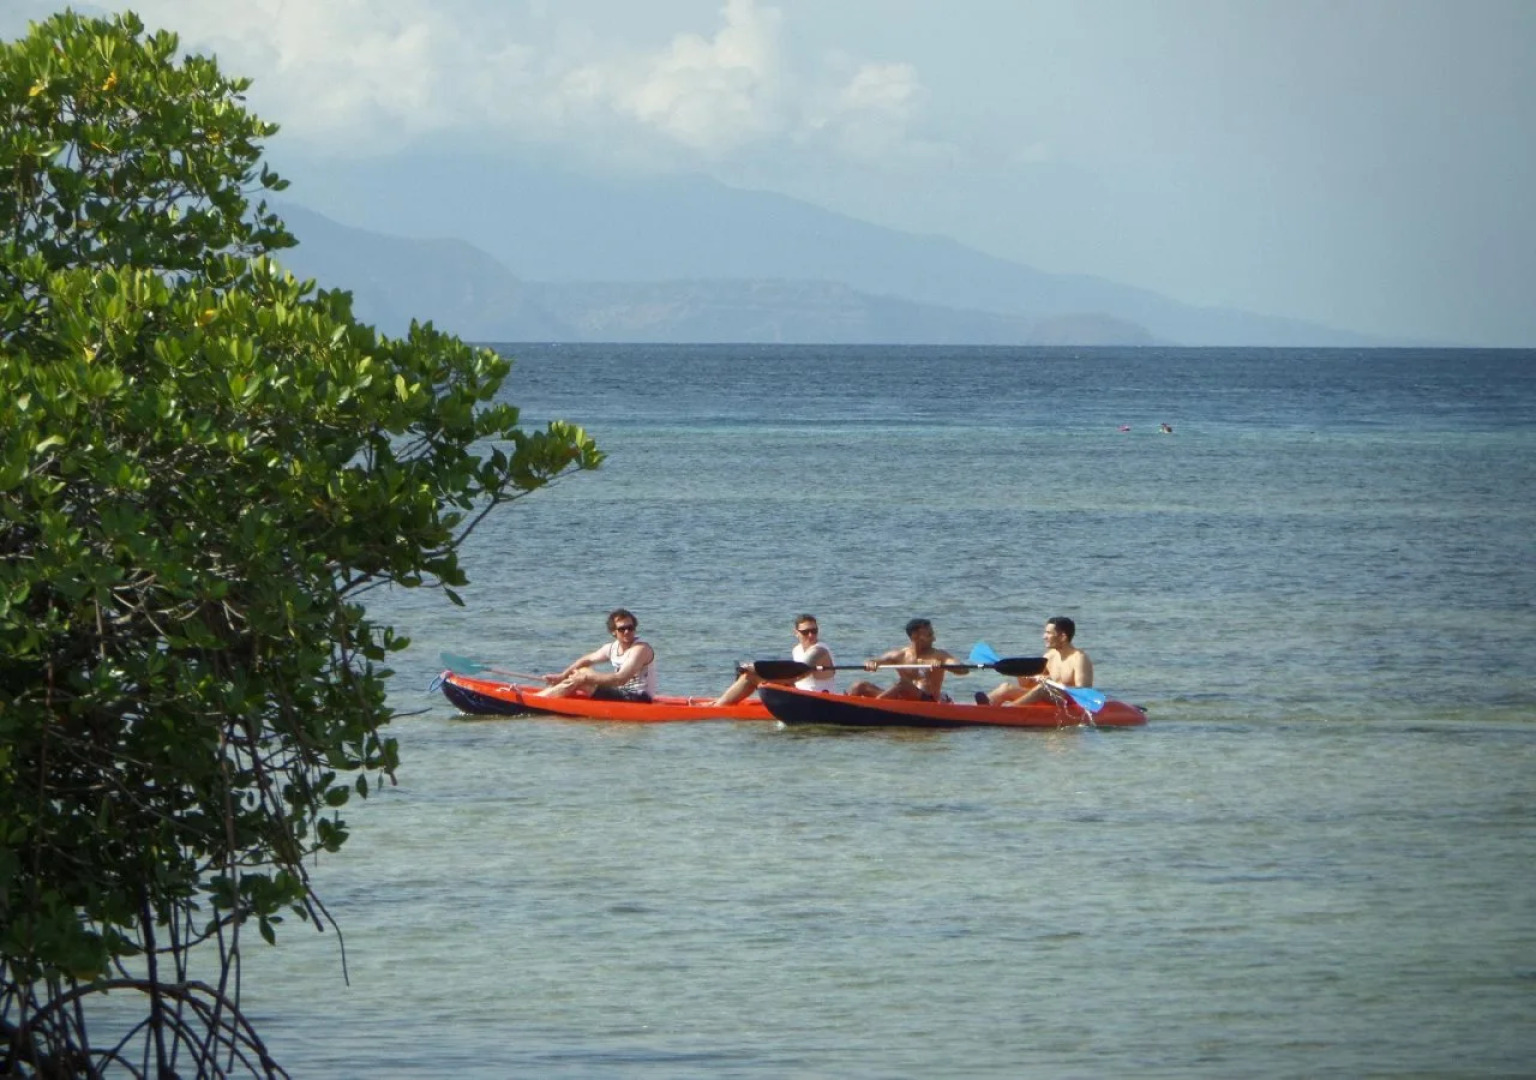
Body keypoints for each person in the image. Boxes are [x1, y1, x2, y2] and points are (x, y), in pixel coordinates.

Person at [711, 614, 834, 706]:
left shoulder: (819, 650)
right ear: (796, 633)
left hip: (817, 701)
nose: (811, 635)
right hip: (800, 695)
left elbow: (798, 671)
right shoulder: (797, 650)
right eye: (805, 632)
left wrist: (756, 670)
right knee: (750, 675)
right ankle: (722, 703)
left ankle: (718, 707)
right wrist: (757, 671)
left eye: (814, 631)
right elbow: (794, 678)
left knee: (750, 676)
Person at [538, 608, 657, 701]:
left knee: (583, 678)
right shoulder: (612, 648)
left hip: (639, 697)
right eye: (622, 629)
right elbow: (587, 660)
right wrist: (562, 676)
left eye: (630, 628)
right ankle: (548, 696)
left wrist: (585, 678)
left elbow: (620, 679)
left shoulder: (640, 649)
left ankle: (539, 700)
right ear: (613, 632)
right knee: (582, 671)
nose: (627, 632)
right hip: (622, 693)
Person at [978, 616, 1093, 706]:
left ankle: (1008, 710)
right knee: (1006, 687)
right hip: (1048, 697)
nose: (1044, 636)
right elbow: (1027, 686)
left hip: (1069, 703)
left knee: (1042, 689)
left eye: (1049, 633)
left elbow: (1084, 693)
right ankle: (983, 708)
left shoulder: (1079, 658)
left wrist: (1052, 685)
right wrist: (1023, 675)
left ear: (1063, 637)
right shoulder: (1050, 656)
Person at [846, 617, 967, 701]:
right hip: (902, 698)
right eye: (929, 635)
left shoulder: (940, 655)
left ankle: (874, 706)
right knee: (859, 685)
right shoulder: (900, 655)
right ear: (915, 636)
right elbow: (875, 661)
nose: (934, 639)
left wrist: (944, 665)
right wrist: (871, 663)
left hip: (928, 701)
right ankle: (847, 707)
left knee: (903, 684)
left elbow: (963, 670)